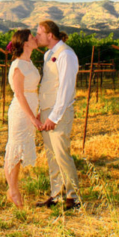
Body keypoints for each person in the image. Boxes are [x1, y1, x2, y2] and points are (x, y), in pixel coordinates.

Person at [35, 20, 82, 210]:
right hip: (47, 110)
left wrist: (54, 117)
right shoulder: (48, 55)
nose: (36, 37)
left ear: (50, 35)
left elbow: (66, 89)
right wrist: (42, 111)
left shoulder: (67, 55)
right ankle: (56, 194)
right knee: (51, 155)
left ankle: (74, 196)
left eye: (39, 33)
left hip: (58, 112)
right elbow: (49, 84)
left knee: (62, 154)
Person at [4, 29, 44, 208]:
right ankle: (13, 191)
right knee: (15, 150)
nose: (36, 39)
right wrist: (32, 118)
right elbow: (19, 95)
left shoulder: (29, 62)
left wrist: (38, 111)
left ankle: (12, 190)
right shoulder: (18, 65)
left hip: (30, 108)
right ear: (25, 43)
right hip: (21, 112)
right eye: (32, 37)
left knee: (19, 152)